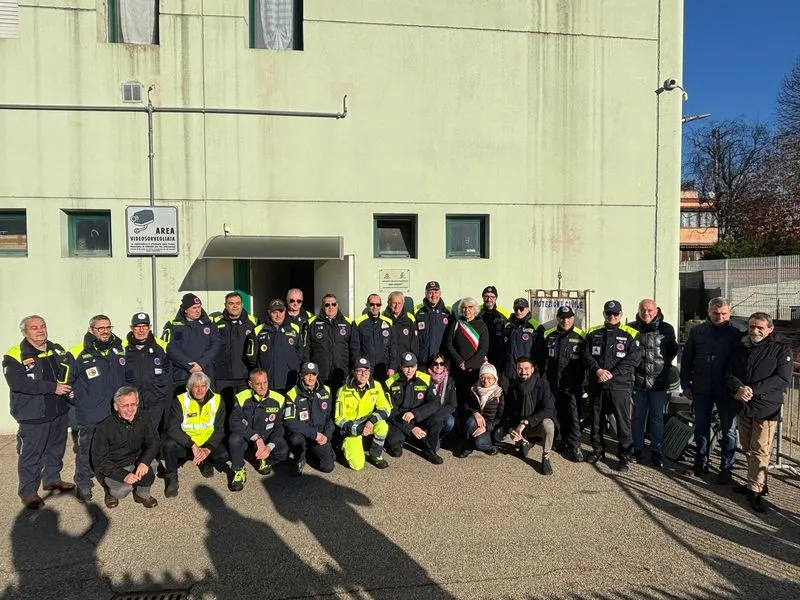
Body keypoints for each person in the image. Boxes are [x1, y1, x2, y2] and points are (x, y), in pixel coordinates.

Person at [3, 315, 73, 509]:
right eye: (34, 327)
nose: (41, 330)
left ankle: (52, 480)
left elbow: (69, 370)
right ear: (25, 332)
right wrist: (53, 388)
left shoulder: (56, 349)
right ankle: (28, 493)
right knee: (31, 455)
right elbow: (19, 383)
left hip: (58, 410)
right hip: (33, 415)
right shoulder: (15, 355)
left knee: (56, 449)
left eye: (43, 326)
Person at [725, 312, 793, 513]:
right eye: (752, 326)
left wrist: (753, 390)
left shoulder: (781, 349)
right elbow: (729, 372)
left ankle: (754, 490)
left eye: (760, 327)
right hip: (743, 405)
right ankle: (756, 481)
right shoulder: (740, 346)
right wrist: (738, 388)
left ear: (770, 329)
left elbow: (782, 378)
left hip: (767, 407)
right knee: (747, 447)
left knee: (760, 450)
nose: (755, 331)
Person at [62, 314, 127, 503]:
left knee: (112, 452)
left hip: (114, 414)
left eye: (108, 327)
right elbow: (65, 384)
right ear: (91, 330)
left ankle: (110, 487)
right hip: (91, 415)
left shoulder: (119, 349)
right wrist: (80, 401)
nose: (105, 331)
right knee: (86, 451)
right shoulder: (77, 353)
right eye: (101, 328)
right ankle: (84, 484)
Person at [679, 297, 745, 482]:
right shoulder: (697, 331)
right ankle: (700, 463)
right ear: (708, 312)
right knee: (701, 426)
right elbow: (687, 359)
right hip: (702, 387)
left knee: (728, 430)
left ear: (730, 312)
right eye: (716, 313)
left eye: (724, 313)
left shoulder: (737, 332)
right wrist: (685, 384)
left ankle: (726, 468)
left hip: (727, 390)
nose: (720, 317)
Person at [583, 300, 642, 471]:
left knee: (623, 422)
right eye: (609, 313)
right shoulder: (593, 332)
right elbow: (585, 355)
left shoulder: (631, 334)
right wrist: (597, 370)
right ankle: (598, 450)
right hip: (597, 384)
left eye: (615, 313)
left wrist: (612, 373)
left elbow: (633, 359)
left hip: (620, 386)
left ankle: (625, 456)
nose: (612, 316)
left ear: (621, 314)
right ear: (604, 314)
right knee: (596, 420)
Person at [162, 372, 229, 498]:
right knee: (168, 444)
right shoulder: (181, 400)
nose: (199, 390)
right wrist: (192, 445)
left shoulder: (217, 400)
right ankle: (172, 477)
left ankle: (205, 461)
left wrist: (208, 449)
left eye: (203, 386)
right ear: (190, 387)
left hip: (206, 441)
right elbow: (172, 428)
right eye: (195, 386)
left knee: (223, 455)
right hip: (187, 443)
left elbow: (220, 429)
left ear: (207, 387)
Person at [91, 386, 159, 509]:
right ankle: (110, 492)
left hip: (137, 459)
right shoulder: (104, 428)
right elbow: (99, 461)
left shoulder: (144, 417)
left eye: (133, 405)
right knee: (121, 491)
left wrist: (144, 461)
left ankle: (141, 494)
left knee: (152, 464)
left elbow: (154, 441)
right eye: (125, 406)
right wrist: (122, 475)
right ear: (116, 407)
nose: (130, 409)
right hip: (116, 465)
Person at [628, 299, 678, 468]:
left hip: (658, 382)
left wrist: (661, 369)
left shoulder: (667, 329)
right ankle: (637, 449)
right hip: (637, 382)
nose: (646, 313)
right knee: (637, 417)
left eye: (650, 310)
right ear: (638, 310)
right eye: (643, 310)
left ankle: (657, 450)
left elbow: (671, 352)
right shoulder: (631, 328)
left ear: (656, 311)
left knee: (657, 418)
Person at [228, 369, 290, 491]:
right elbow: (233, 422)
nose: (263, 387)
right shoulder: (241, 398)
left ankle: (264, 458)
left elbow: (280, 427)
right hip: (248, 437)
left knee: (283, 453)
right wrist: (256, 438)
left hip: (267, 437)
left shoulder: (279, 399)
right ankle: (238, 469)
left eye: (265, 382)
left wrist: (269, 447)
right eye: (258, 384)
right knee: (234, 439)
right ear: (250, 384)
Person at [542, 306, 586, 462]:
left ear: (573, 318)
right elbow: (543, 359)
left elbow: (586, 360)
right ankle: (560, 440)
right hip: (553, 384)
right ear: (557, 318)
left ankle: (575, 445)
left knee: (573, 416)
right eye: (562, 317)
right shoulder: (549, 335)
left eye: (568, 317)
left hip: (572, 385)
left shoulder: (581, 336)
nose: (565, 320)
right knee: (556, 413)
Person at [384, 352, 444, 464]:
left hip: (419, 417)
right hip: (400, 419)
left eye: (412, 366)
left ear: (416, 366)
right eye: (406, 367)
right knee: (395, 451)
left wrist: (415, 414)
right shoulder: (390, 383)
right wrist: (410, 428)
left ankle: (429, 450)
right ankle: (407, 437)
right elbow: (391, 412)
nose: (409, 370)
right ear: (400, 366)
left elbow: (435, 403)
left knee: (437, 418)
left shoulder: (426, 379)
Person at [334, 358, 392, 470]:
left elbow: (386, 408)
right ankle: (346, 445)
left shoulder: (376, 386)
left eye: (366, 371)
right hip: (351, 428)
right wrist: (359, 429)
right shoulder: (343, 391)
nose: (363, 374)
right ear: (353, 372)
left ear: (370, 372)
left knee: (382, 426)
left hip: (368, 422)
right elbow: (338, 418)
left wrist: (372, 421)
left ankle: (375, 454)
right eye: (359, 370)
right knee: (357, 466)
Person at [161, 293, 222, 397]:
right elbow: (170, 347)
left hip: (205, 372)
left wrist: (201, 364)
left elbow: (215, 344)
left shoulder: (209, 323)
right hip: (182, 374)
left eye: (199, 307)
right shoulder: (173, 324)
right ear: (185, 310)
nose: (198, 311)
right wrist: (189, 365)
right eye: (194, 308)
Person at [505, 356, 557, 475]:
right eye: (520, 368)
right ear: (516, 369)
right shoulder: (512, 386)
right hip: (519, 426)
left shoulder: (543, 385)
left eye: (526, 368)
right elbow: (508, 412)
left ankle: (546, 457)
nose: (523, 371)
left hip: (535, 423)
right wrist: (510, 429)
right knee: (519, 452)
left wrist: (526, 422)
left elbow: (548, 410)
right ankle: (524, 442)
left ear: (532, 369)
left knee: (548, 424)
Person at [283, 361, 336, 475]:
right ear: (301, 375)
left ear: (317, 375)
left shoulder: (326, 391)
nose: (311, 378)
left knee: (328, 467)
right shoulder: (292, 393)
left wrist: (326, 436)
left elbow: (329, 418)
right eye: (307, 374)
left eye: (313, 374)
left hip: (320, 434)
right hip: (303, 434)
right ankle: (300, 458)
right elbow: (289, 421)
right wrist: (314, 434)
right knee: (295, 439)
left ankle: (312, 452)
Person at [123, 312, 171, 432]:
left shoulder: (160, 348)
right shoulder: (123, 349)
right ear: (131, 328)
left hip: (155, 401)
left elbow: (168, 371)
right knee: (132, 434)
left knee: (152, 434)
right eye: (138, 326)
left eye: (144, 326)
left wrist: (161, 390)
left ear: (149, 327)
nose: (141, 330)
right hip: (132, 403)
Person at [211, 292, 259, 408]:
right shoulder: (215, 323)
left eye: (238, 303)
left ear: (242, 304)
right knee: (224, 410)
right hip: (222, 377)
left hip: (244, 377)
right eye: (231, 303)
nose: (235, 306)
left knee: (244, 409)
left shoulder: (254, 322)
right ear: (225, 305)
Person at [247, 299, 303, 393]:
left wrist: (291, 366)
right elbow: (252, 358)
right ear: (269, 312)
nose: (278, 315)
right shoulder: (258, 330)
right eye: (274, 312)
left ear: (285, 312)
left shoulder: (295, 329)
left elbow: (300, 354)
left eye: (281, 311)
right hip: (267, 383)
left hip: (289, 382)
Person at [444, 297, 489, 408]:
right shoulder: (456, 325)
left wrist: (468, 364)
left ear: (475, 309)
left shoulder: (482, 326)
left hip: (475, 370)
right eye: (464, 308)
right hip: (458, 370)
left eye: (470, 307)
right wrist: (460, 362)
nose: (467, 310)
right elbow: (449, 346)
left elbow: (483, 349)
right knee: (458, 400)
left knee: (473, 401)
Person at [306, 293, 352, 397]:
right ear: (322, 306)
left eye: (333, 304)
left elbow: (353, 348)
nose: (330, 307)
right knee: (322, 403)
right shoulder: (312, 323)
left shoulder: (348, 323)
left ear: (337, 305)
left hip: (341, 374)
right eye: (327, 305)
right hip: (321, 375)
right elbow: (307, 349)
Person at [456, 362, 504, 458]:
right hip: (477, 422)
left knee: (480, 443)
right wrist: (475, 413)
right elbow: (465, 406)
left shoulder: (499, 393)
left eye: (489, 378)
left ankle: (491, 446)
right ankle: (468, 445)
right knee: (470, 421)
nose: (485, 381)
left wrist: (486, 427)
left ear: (495, 378)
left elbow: (502, 418)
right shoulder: (474, 389)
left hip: (491, 426)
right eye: (483, 377)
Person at [351, 294, 393, 381]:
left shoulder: (388, 322)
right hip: (365, 369)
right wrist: (358, 367)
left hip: (384, 368)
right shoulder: (358, 323)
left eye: (378, 304)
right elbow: (355, 349)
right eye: (372, 304)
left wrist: (392, 367)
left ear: (381, 305)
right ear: (367, 305)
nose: (375, 307)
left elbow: (393, 347)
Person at [503, 297, 545, 384]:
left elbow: (541, 353)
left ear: (528, 309)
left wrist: (537, 371)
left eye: (521, 309)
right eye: (516, 309)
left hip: (527, 374)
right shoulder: (508, 325)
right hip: (509, 373)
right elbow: (502, 348)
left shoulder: (536, 327)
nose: (518, 312)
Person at [415, 281, 452, 365]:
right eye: (430, 292)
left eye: (436, 292)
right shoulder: (417, 311)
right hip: (423, 360)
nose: (433, 295)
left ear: (440, 293)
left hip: (442, 362)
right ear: (426, 294)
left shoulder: (448, 312)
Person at [384, 291, 419, 378]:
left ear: (403, 304)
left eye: (399, 303)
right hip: (386, 365)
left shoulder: (410, 319)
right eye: (394, 303)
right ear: (388, 303)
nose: (397, 306)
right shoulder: (383, 318)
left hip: (405, 365)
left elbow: (414, 344)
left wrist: (411, 365)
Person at [427, 353, 457, 451]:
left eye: (442, 363)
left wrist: (437, 413)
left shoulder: (450, 381)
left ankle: (438, 437)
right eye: (435, 363)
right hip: (426, 411)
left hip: (441, 411)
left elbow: (453, 405)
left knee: (450, 421)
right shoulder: (424, 378)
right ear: (431, 364)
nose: (439, 366)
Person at [479, 285, 510, 373]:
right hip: (480, 353)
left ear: (496, 298)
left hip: (497, 355)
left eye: (492, 297)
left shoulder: (502, 316)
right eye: (486, 296)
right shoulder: (477, 315)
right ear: (483, 297)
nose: (489, 299)